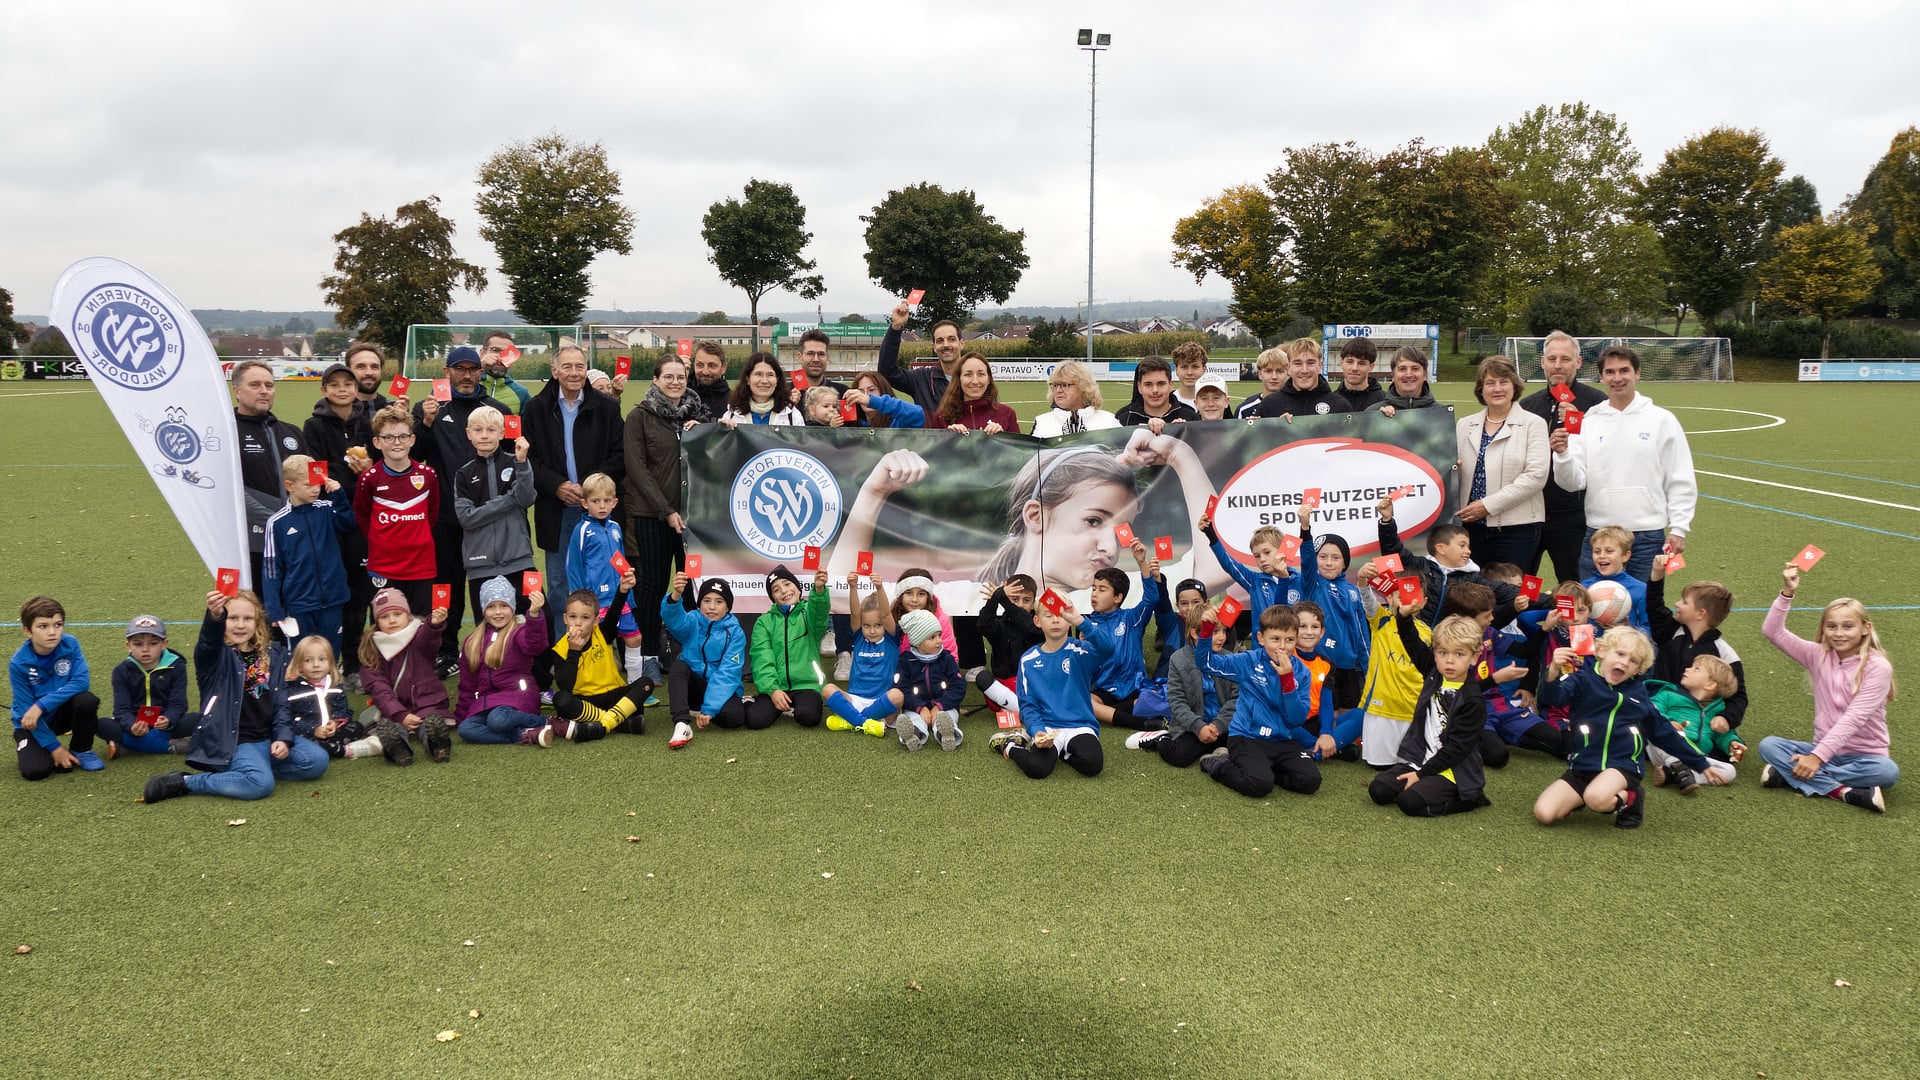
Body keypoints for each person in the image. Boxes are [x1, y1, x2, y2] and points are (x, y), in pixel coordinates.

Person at [140, 589, 331, 804]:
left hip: (267, 738)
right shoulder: (214, 657)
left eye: (247, 618)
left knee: (317, 762)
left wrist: (283, 738)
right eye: (232, 618)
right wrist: (214, 617)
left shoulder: (274, 654)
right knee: (261, 784)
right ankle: (186, 782)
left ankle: (251, 771)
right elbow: (207, 641)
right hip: (235, 741)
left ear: (257, 621)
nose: (240, 625)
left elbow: (280, 703)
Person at [1532, 626, 1721, 829]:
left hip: (1622, 766)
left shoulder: (1638, 694)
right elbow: (1552, 698)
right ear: (1602, 651)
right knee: (1544, 813)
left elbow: (1664, 732)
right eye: (1620, 654)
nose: (1624, 662)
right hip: (1582, 766)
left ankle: (1632, 798)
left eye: (1633, 661)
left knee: (1596, 798)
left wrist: (1700, 763)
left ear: (1639, 669)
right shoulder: (1582, 680)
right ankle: (1583, 798)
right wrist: (1552, 671)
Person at [1755, 562, 1898, 813]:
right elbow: (1772, 631)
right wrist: (1787, 593)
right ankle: (1844, 792)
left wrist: (1815, 759)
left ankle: (1791, 774)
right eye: (1831, 626)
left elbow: (1853, 719)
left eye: (1848, 626)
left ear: (1866, 629)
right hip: (1822, 749)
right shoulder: (1818, 655)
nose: (1839, 634)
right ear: (1823, 629)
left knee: (1887, 772)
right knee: (1768, 745)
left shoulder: (1878, 667)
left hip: (1865, 757)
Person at [1550, 345, 1698, 582]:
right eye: (1610, 372)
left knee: (1642, 611)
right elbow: (1572, 483)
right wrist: (1563, 454)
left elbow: (1680, 479)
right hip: (1598, 537)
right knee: (1596, 610)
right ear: (1601, 377)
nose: (1617, 378)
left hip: (1646, 537)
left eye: (1624, 371)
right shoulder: (1588, 421)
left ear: (1637, 373)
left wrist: (1679, 529)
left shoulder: (1662, 420)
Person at [412, 346, 511, 669]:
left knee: (487, 585)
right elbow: (415, 456)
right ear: (447, 371)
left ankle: (491, 647)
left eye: (472, 369)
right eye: (460, 369)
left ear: (481, 372)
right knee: (446, 585)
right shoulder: (429, 407)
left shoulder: (495, 408)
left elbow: (511, 459)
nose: (466, 375)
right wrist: (425, 422)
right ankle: (445, 648)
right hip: (446, 517)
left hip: (487, 519)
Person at [524, 343, 626, 640]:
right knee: (558, 585)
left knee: (603, 581)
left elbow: (620, 456)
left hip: (597, 511)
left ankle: (603, 649)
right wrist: (555, 485)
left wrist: (590, 486)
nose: (573, 373)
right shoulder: (536, 408)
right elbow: (528, 459)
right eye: (566, 367)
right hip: (555, 510)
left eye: (579, 366)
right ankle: (564, 649)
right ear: (554, 371)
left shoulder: (606, 408)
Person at [623, 354, 708, 672]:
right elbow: (637, 469)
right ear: (655, 380)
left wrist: (704, 434)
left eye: (681, 377)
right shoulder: (639, 417)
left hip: (693, 520)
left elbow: (715, 456)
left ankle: (690, 652)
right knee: (652, 585)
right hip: (653, 516)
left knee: (691, 585)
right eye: (668, 377)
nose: (675, 382)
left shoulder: (697, 415)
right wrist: (666, 510)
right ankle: (647, 655)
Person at [1367, 608, 1493, 817]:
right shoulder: (1433, 674)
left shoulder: (1472, 699)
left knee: (1410, 802)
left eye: (1459, 654)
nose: (1450, 661)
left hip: (1452, 770)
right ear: (1435, 653)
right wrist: (1404, 617)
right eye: (1443, 653)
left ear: (1474, 657)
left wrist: (1421, 775)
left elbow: (1456, 750)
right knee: (1379, 790)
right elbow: (1411, 642)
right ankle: (1424, 783)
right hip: (1420, 760)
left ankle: (1471, 799)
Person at [1190, 605, 1321, 799]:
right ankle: (1219, 765)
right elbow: (1206, 664)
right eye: (1275, 639)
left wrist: (1287, 681)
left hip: (1282, 739)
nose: (1283, 646)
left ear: (1296, 639)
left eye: (1289, 640)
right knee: (1259, 785)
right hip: (1247, 737)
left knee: (1310, 781)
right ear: (1261, 638)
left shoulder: (1301, 672)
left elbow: (1296, 719)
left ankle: (1265, 769)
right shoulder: (1248, 661)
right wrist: (1207, 630)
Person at [302, 360, 379, 688]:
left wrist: (369, 469)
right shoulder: (314, 425)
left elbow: (381, 462)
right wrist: (349, 473)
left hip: (366, 518)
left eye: (347, 383)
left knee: (365, 593)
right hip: (332, 519)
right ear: (324, 391)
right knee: (338, 593)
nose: (343, 389)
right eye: (335, 385)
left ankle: (361, 662)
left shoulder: (369, 420)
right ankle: (333, 663)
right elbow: (315, 473)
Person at [987, 591, 1114, 780]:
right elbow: (1028, 705)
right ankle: (1010, 746)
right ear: (1037, 621)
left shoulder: (1080, 651)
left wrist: (1081, 621)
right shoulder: (1029, 660)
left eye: (1061, 615)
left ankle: (1062, 753)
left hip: (1079, 724)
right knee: (1038, 770)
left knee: (1092, 764)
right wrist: (1037, 730)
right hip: (1047, 727)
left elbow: (1108, 648)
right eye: (1049, 615)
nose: (1056, 620)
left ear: (1069, 620)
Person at [1518, 331, 1607, 582]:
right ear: (1542, 362)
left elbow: (1602, 455)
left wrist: (1578, 422)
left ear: (1578, 362)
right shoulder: (1527, 406)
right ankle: (1526, 621)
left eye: (1566, 359)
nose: (1558, 365)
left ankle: (1575, 622)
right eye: (1552, 359)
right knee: (1525, 582)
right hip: (1530, 512)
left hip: (1575, 515)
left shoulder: (1598, 404)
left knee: (1573, 582)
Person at [1364, 495, 1519, 627]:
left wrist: (1542, 597)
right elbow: (1392, 551)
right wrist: (1387, 521)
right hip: (1413, 638)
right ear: (1441, 548)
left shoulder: (1473, 579)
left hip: (1446, 644)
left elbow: (1506, 590)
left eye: (1468, 547)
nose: (1468, 551)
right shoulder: (1420, 565)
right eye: (1462, 545)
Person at [1455, 358, 1549, 570]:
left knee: (1509, 595)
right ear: (1481, 389)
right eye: (1490, 383)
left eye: (1504, 382)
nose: (1497, 388)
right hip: (1471, 528)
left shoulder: (1533, 424)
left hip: (1517, 529)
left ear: (1514, 385)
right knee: (1473, 595)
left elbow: (1536, 476)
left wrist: (1488, 506)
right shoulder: (1464, 425)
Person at [1125, 594, 1239, 768]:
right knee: (1179, 757)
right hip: (1192, 726)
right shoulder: (1179, 660)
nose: (1222, 637)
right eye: (1215, 631)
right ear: (1194, 633)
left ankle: (1217, 748)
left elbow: (1236, 699)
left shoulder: (1230, 659)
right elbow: (1177, 701)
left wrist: (1218, 725)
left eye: (1223, 630)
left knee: (1245, 749)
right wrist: (1199, 727)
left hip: (1225, 724)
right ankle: (1160, 739)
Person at [261, 454, 356, 660]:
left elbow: (348, 524)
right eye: (308, 484)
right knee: (301, 656)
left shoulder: (327, 509)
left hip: (333, 599)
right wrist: (274, 609)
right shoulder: (277, 523)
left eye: (318, 484)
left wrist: (338, 495)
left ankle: (330, 690)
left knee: (330, 654)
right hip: (299, 604)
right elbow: (271, 569)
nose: (315, 489)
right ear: (289, 485)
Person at [536, 580, 653, 741]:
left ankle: (604, 725)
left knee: (646, 683)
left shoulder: (602, 633)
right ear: (565, 618)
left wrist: (622, 590)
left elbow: (615, 612)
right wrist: (574, 652)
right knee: (560, 700)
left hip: (613, 695)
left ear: (595, 621)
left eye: (585, 617)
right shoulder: (560, 648)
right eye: (572, 617)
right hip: (584, 701)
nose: (578, 622)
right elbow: (565, 685)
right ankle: (620, 723)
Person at [353, 404, 440, 620]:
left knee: (421, 626)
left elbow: (432, 514)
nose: (397, 443)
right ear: (377, 442)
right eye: (389, 437)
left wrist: (417, 536)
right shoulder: (369, 478)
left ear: (412, 440)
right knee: (385, 628)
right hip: (384, 567)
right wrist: (380, 539)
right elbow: (363, 517)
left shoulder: (428, 474)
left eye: (402, 436)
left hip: (421, 566)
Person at [567, 473, 653, 689]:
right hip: (596, 602)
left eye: (607, 501)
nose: (602, 506)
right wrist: (581, 602)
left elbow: (621, 562)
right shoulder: (582, 530)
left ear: (615, 502)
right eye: (596, 501)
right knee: (597, 646)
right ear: (585, 503)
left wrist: (629, 595)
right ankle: (591, 687)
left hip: (620, 599)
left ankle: (634, 686)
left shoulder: (615, 527)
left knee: (634, 639)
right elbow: (573, 565)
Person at [1645, 556, 1748, 731]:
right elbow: (1654, 607)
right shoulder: (1671, 631)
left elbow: (1738, 696)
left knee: (1713, 746)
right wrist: (1657, 574)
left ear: (1701, 614)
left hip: (1695, 719)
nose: (1677, 604)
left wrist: (1726, 719)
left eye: (1684, 602)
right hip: (1661, 708)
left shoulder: (1724, 653)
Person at [453, 406, 537, 616]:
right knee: (487, 631)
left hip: (518, 558)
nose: (484, 435)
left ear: (501, 433)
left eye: (491, 430)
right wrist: (509, 499)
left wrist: (522, 463)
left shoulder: (516, 462)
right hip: (480, 564)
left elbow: (526, 498)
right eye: (478, 430)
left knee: (538, 622)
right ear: (468, 434)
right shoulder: (464, 474)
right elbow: (467, 518)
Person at [355, 587, 453, 766]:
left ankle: (438, 745)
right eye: (384, 617)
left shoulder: (419, 634)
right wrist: (400, 714)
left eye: (397, 614)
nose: (392, 620)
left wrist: (434, 624)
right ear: (376, 622)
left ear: (408, 615)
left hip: (426, 700)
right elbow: (378, 688)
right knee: (392, 726)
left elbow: (429, 640)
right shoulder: (372, 648)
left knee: (428, 723)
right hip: (394, 705)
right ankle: (398, 749)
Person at [232, 360, 306, 596]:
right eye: (254, 384)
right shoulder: (227, 431)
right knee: (253, 611)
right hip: (251, 544)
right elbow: (230, 490)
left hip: (294, 539)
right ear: (237, 391)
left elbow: (315, 478)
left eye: (269, 385)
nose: (264, 390)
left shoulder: (291, 431)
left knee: (293, 608)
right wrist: (276, 519)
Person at [453, 576, 553, 747]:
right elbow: (467, 684)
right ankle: (524, 734)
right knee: (466, 729)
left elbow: (535, 645)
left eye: (504, 606)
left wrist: (534, 614)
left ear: (512, 608)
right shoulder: (472, 640)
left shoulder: (519, 631)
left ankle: (549, 722)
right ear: (483, 610)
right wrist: (462, 715)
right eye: (491, 607)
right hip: (488, 702)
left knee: (497, 720)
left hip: (519, 697)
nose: (498, 612)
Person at [11, 596, 103, 778]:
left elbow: (81, 682)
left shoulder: (71, 645)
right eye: (43, 626)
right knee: (35, 771)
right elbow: (26, 712)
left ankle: (81, 749)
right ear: (27, 631)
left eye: (58, 624)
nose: (52, 632)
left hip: (60, 714)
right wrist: (55, 747)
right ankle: (40, 747)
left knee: (86, 700)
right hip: (31, 723)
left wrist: (41, 705)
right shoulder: (18, 663)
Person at [660, 573, 748, 748]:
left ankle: (703, 709)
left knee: (735, 718)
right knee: (678, 666)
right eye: (706, 600)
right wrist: (676, 594)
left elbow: (728, 673)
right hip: (694, 686)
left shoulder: (736, 633)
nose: (712, 607)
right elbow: (674, 621)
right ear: (699, 603)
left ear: (728, 607)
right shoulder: (693, 620)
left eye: (719, 602)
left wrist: (710, 708)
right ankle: (682, 724)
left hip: (718, 686)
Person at [1081, 547, 1166, 731]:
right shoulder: (1086, 625)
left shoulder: (1132, 618)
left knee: (1160, 695)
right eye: (1094, 588)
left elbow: (1151, 598)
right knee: (1086, 700)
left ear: (1118, 597)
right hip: (1104, 690)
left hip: (1135, 688)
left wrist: (1142, 562)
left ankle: (1112, 713)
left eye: (1102, 589)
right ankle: (1139, 723)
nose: (1094, 594)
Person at [1297, 516, 1370, 711]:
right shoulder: (1314, 584)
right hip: (1319, 663)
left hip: (1349, 666)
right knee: (1326, 714)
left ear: (1345, 563)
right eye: (1323, 557)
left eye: (1335, 557)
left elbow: (1362, 633)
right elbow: (1307, 561)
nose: (1329, 563)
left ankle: (1345, 743)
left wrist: (1368, 665)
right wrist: (1305, 530)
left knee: (1351, 713)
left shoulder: (1353, 592)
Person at [747, 565, 831, 729]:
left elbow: (820, 615)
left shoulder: (808, 613)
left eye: (787, 584)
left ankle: (794, 706)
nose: (784, 591)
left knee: (809, 717)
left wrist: (819, 589)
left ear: (798, 588)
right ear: (773, 597)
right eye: (776, 589)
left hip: (807, 685)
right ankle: (754, 700)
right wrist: (773, 690)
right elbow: (761, 658)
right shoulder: (764, 622)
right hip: (777, 686)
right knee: (754, 720)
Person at [1643, 655, 1743, 793]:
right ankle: (1677, 767)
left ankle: (1673, 775)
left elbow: (1723, 735)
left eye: (1696, 669)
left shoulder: (1718, 711)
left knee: (1730, 771)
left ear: (1710, 684)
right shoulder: (1669, 694)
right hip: (1665, 748)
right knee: (1663, 732)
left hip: (1697, 756)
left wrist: (1731, 743)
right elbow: (1652, 708)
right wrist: (1667, 722)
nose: (1687, 669)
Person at [103, 615, 199, 756]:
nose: (145, 649)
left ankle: (129, 746)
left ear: (164, 644)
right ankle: (171, 746)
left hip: (164, 724)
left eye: (153, 643)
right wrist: (132, 725)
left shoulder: (176, 666)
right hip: (136, 723)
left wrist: (168, 719)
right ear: (128, 646)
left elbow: (178, 704)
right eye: (138, 644)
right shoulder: (121, 671)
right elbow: (121, 709)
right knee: (102, 724)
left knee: (197, 719)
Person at [280, 635, 382, 761]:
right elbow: (288, 718)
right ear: (299, 665)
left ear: (330, 662)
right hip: (306, 733)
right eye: (308, 660)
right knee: (299, 741)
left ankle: (332, 747)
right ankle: (345, 750)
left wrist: (335, 722)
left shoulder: (335, 686)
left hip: (331, 732)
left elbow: (344, 711)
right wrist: (313, 729)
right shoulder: (292, 690)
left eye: (322, 659)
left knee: (357, 727)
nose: (316, 665)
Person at [823, 575, 900, 736]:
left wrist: (879, 588)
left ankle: (852, 720)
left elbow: (886, 615)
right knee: (828, 689)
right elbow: (854, 613)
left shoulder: (891, 640)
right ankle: (864, 723)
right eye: (867, 626)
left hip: (881, 703)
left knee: (897, 696)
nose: (872, 631)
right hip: (855, 700)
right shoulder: (859, 639)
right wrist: (852, 587)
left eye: (878, 625)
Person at [888, 609, 966, 752]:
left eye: (939, 635)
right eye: (932, 637)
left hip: (944, 706)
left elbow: (958, 686)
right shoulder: (905, 660)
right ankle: (914, 735)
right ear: (917, 642)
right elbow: (901, 689)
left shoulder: (947, 659)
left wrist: (940, 706)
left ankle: (947, 735)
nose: (939, 641)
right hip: (916, 707)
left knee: (947, 717)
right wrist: (920, 707)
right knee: (913, 719)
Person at [973, 576, 1041, 718]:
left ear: (1034, 603)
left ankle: (1016, 709)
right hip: (1004, 687)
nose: (1020, 605)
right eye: (1015, 599)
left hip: (1032, 687)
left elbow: (1025, 624)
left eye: (1026, 600)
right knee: (982, 678)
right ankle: (1022, 710)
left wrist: (1003, 598)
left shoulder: (1038, 624)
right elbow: (982, 625)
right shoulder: (1000, 625)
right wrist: (995, 599)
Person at [880, 300, 963, 416]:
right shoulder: (921, 379)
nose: (946, 345)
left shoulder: (974, 379)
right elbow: (887, 372)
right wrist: (896, 327)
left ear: (961, 343)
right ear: (934, 347)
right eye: (940, 341)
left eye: (951, 339)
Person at [1256, 340, 1349, 420]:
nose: (1304, 370)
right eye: (1298, 363)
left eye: (1310, 363)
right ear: (1288, 368)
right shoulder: (1269, 405)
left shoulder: (1340, 405)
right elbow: (1258, 439)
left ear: (1320, 366)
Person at [1582, 526, 1651, 633]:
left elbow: (1649, 628)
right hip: (1591, 648)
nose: (1602, 556)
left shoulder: (1640, 589)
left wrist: (1626, 629)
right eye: (1597, 551)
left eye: (1609, 551)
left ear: (1625, 556)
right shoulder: (1583, 588)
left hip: (1624, 647)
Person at [1028, 360, 1119, 437]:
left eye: (1065, 385)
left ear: (1083, 387)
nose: (1058, 390)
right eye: (1055, 385)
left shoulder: (1109, 422)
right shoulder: (1042, 423)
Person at [934, 352, 1019, 433]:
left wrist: (1003, 438)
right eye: (968, 375)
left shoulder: (1007, 414)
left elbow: (1017, 448)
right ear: (959, 379)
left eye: (981, 374)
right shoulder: (941, 417)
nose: (975, 381)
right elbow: (933, 448)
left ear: (989, 379)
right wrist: (947, 438)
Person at [718, 352, 805, 427]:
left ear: (777, 380)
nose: (764, 381)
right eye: (758, 374)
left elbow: (801, 445)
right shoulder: (732, 415)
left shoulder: (792, 415)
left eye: (770, 375)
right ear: (748, 379)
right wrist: (723, 431)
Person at [1113, 357, 1200, 430]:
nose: (1155, 390)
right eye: (1148, 384)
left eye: (1161, 384)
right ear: (1139, 387)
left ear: (1170, 385)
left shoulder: (1190, 416)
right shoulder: (1125, 418)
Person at [476, 329, 533, 413]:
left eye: (507, 353)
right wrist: (479, 367)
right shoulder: (467, 384)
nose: (500, 358)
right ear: (482, 353)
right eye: (495, 350)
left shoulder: (521, 394)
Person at [842, 372, 925, 429]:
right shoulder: (853, 423)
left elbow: (918, 414)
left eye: (871, 390)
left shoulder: (897, 421)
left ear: (883, 391)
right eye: (861, 392)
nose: (865, 395)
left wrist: (872, 401)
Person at [1332, 338, 1388, 411]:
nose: (1354, 368)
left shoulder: (1385, 402)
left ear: (1371, 366)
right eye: (1350, 362)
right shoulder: (1330, 401)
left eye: (1361, 363)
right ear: (1342, 363)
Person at [1236, 346, 1290, 419]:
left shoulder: (1299, 405)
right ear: (1259, 374)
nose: (1274, 377)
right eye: (1268, 371)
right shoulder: (1244, 410)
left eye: (1280, 371)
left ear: (1288, 373)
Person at [793, 328, 848, 397]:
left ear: (827, 358)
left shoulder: (843, 393)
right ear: (799, 357)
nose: (816, 359)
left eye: (821, 354)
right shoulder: (785, 394)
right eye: (810, 353)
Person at [1380, 347, 1438, 413]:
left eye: (1415, 369)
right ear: (1393, 375)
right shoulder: (1374, 414)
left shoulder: (1441, 414)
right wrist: (1380, 418)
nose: (1408, 375)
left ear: (1425, 375)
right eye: (1402, 369)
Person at [688, 340, 732, 418]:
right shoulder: (681, 397)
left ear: (723, 368)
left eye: (712, 365)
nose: (705, 372)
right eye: (700, 365)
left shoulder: (733, 402)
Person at [1170, 342, 1210, 409]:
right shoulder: (1167, 402)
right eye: (1184, 367)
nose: (1189, 373)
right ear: (1176, 369)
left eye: (1195, 367)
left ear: (1204, 369)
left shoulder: (1217, 403)